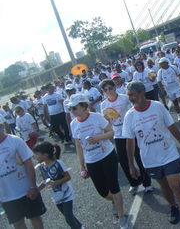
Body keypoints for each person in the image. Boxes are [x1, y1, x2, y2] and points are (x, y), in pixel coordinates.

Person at [122, 81, 180, 229]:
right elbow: (130, 142)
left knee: (177, 187)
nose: (129, 98)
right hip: (150, 160)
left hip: (169, 154)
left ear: (142, 93)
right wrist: (131, 164)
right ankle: (173, 206)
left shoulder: (157, 106)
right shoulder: (129, 116)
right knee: (164, 186)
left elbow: (172, 127)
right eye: (128, 95)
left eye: (132, 94)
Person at [67, 94, 128, 228]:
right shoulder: (73, 123)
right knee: (103, 192)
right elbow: (78, 145)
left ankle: (122, 216)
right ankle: (115, 201)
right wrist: (82, 166)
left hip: (107, 155)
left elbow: (111, 132)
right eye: (70, 109)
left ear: (84, 106)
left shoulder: (96, 117)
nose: (72, 111)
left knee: (114, 186)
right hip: (91, 160)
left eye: (74, 108)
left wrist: (98, 138)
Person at [100, 79, 153, 195]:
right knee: (124, 161)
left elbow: (134, 109)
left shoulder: (124, 97)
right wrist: (107, 119)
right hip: (118, 134)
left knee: (139, 157)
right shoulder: (103, 104)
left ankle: (147, 182)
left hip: (131, 132)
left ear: (114, 87)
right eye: (105, 90)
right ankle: (134, 183)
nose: (108, 91)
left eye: (110, 88)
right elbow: (107, 122)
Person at [0, 116, 46, 229]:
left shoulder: (15, 140)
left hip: (26, 190)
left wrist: (32, 186)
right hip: (7, 196)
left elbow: (29, 164)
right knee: (18, 224)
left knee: (35, 218)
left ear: (1, 126)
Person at [33, 142, 84, 229]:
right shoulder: (42, 167)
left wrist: (56, 183)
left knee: (69, 218)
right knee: (69, 216)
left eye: (37, 154)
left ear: (45, 155)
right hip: (56, 196)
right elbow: (46, 180)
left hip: (66, 194)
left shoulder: (58, 163)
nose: (35, 156)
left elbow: (68, 177)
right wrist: (37, 190)